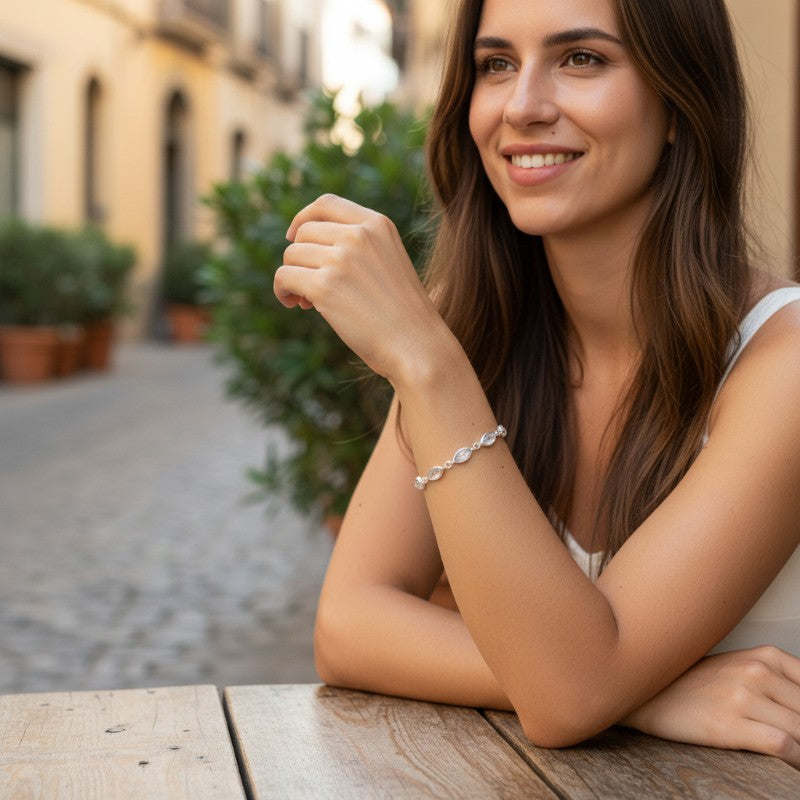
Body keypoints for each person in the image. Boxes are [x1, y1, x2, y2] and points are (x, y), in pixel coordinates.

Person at [274, 0, 800, 767]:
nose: (523, 107)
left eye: (582, 58)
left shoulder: (781, 362)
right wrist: (649, 690)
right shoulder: (480, 333)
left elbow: (571, 694)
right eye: (496, 65)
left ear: (682, 103)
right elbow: (350, 624)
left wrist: (427, 362)